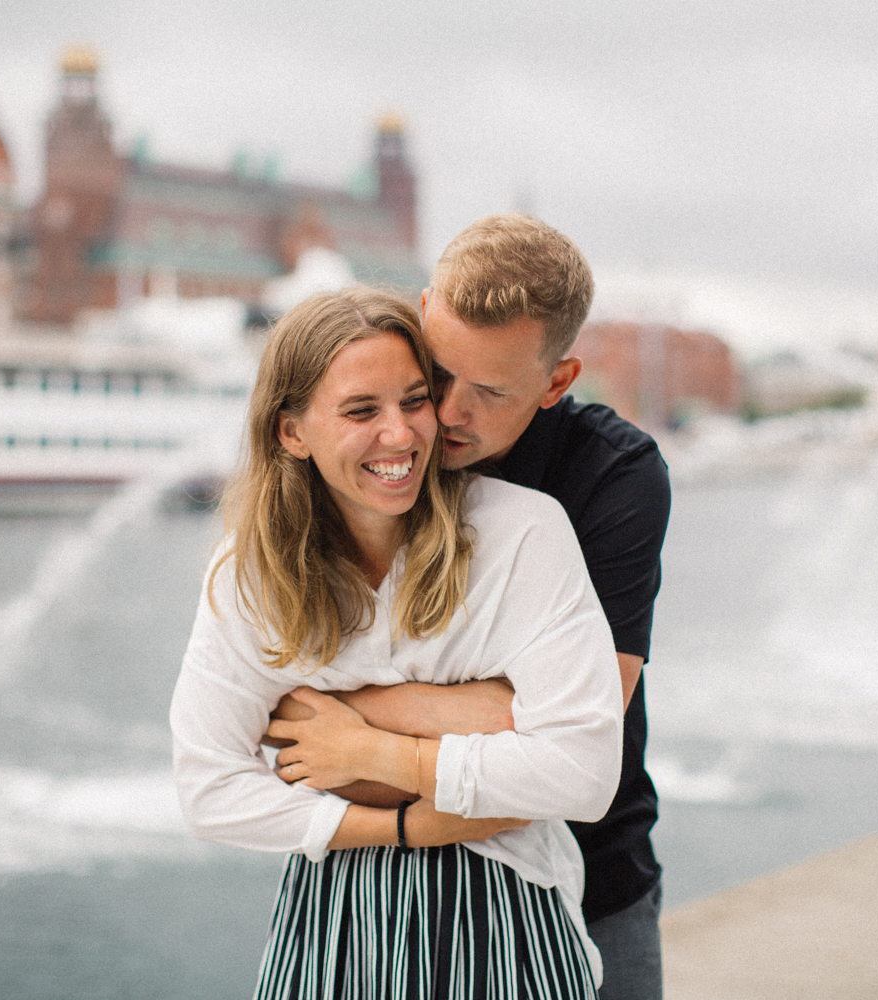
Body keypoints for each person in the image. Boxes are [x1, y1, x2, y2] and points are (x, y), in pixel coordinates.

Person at [170, 287, 624, 999]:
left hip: (511, 912)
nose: (402, 434)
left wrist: (364, 749)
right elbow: (209, 789)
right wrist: (410, 822)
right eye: (361, 411)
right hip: (331, 920)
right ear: (292, 431)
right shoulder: (249, 573)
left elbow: (585, 772)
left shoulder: (522, 533)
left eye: (415, 400)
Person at [270, 216, 672, 999]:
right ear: (423, 314)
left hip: (594, 871)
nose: (444, 414)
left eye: (489, 392)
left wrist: (363, 719)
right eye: (439, 372)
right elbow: (279, 703)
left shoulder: (614, 477)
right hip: (381, 883)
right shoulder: (376, 447)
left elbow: (583, 720)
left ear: (557, 382)